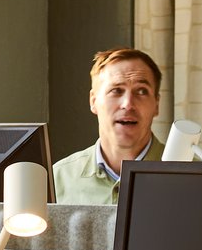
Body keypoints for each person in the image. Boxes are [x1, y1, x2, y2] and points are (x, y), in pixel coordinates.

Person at [52, 47, 165, 204]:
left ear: (156, 104)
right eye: (116, 90)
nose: (128, 104)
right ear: (93, 101)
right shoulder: (57, 179)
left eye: (141, 91)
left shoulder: (198, 175)